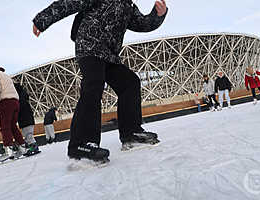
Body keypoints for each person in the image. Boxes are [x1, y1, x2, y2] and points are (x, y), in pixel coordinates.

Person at [32, 0, 167, 162]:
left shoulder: (128, 6)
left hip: (109, 54)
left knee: (130, 82)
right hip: (89, 46)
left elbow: (142, 24)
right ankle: (81, 145)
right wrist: (42, 20)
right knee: (93, 83)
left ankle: (131, 134)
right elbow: (69, 3)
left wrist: (157, 15)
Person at [14, 83, 40, 155]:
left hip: (26, 121)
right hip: (26, 121)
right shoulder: (23, 98)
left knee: (28, 135)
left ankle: (34, 148)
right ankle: (31, 148)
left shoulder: (21, 100)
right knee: (27, 135)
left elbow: (20, 110)